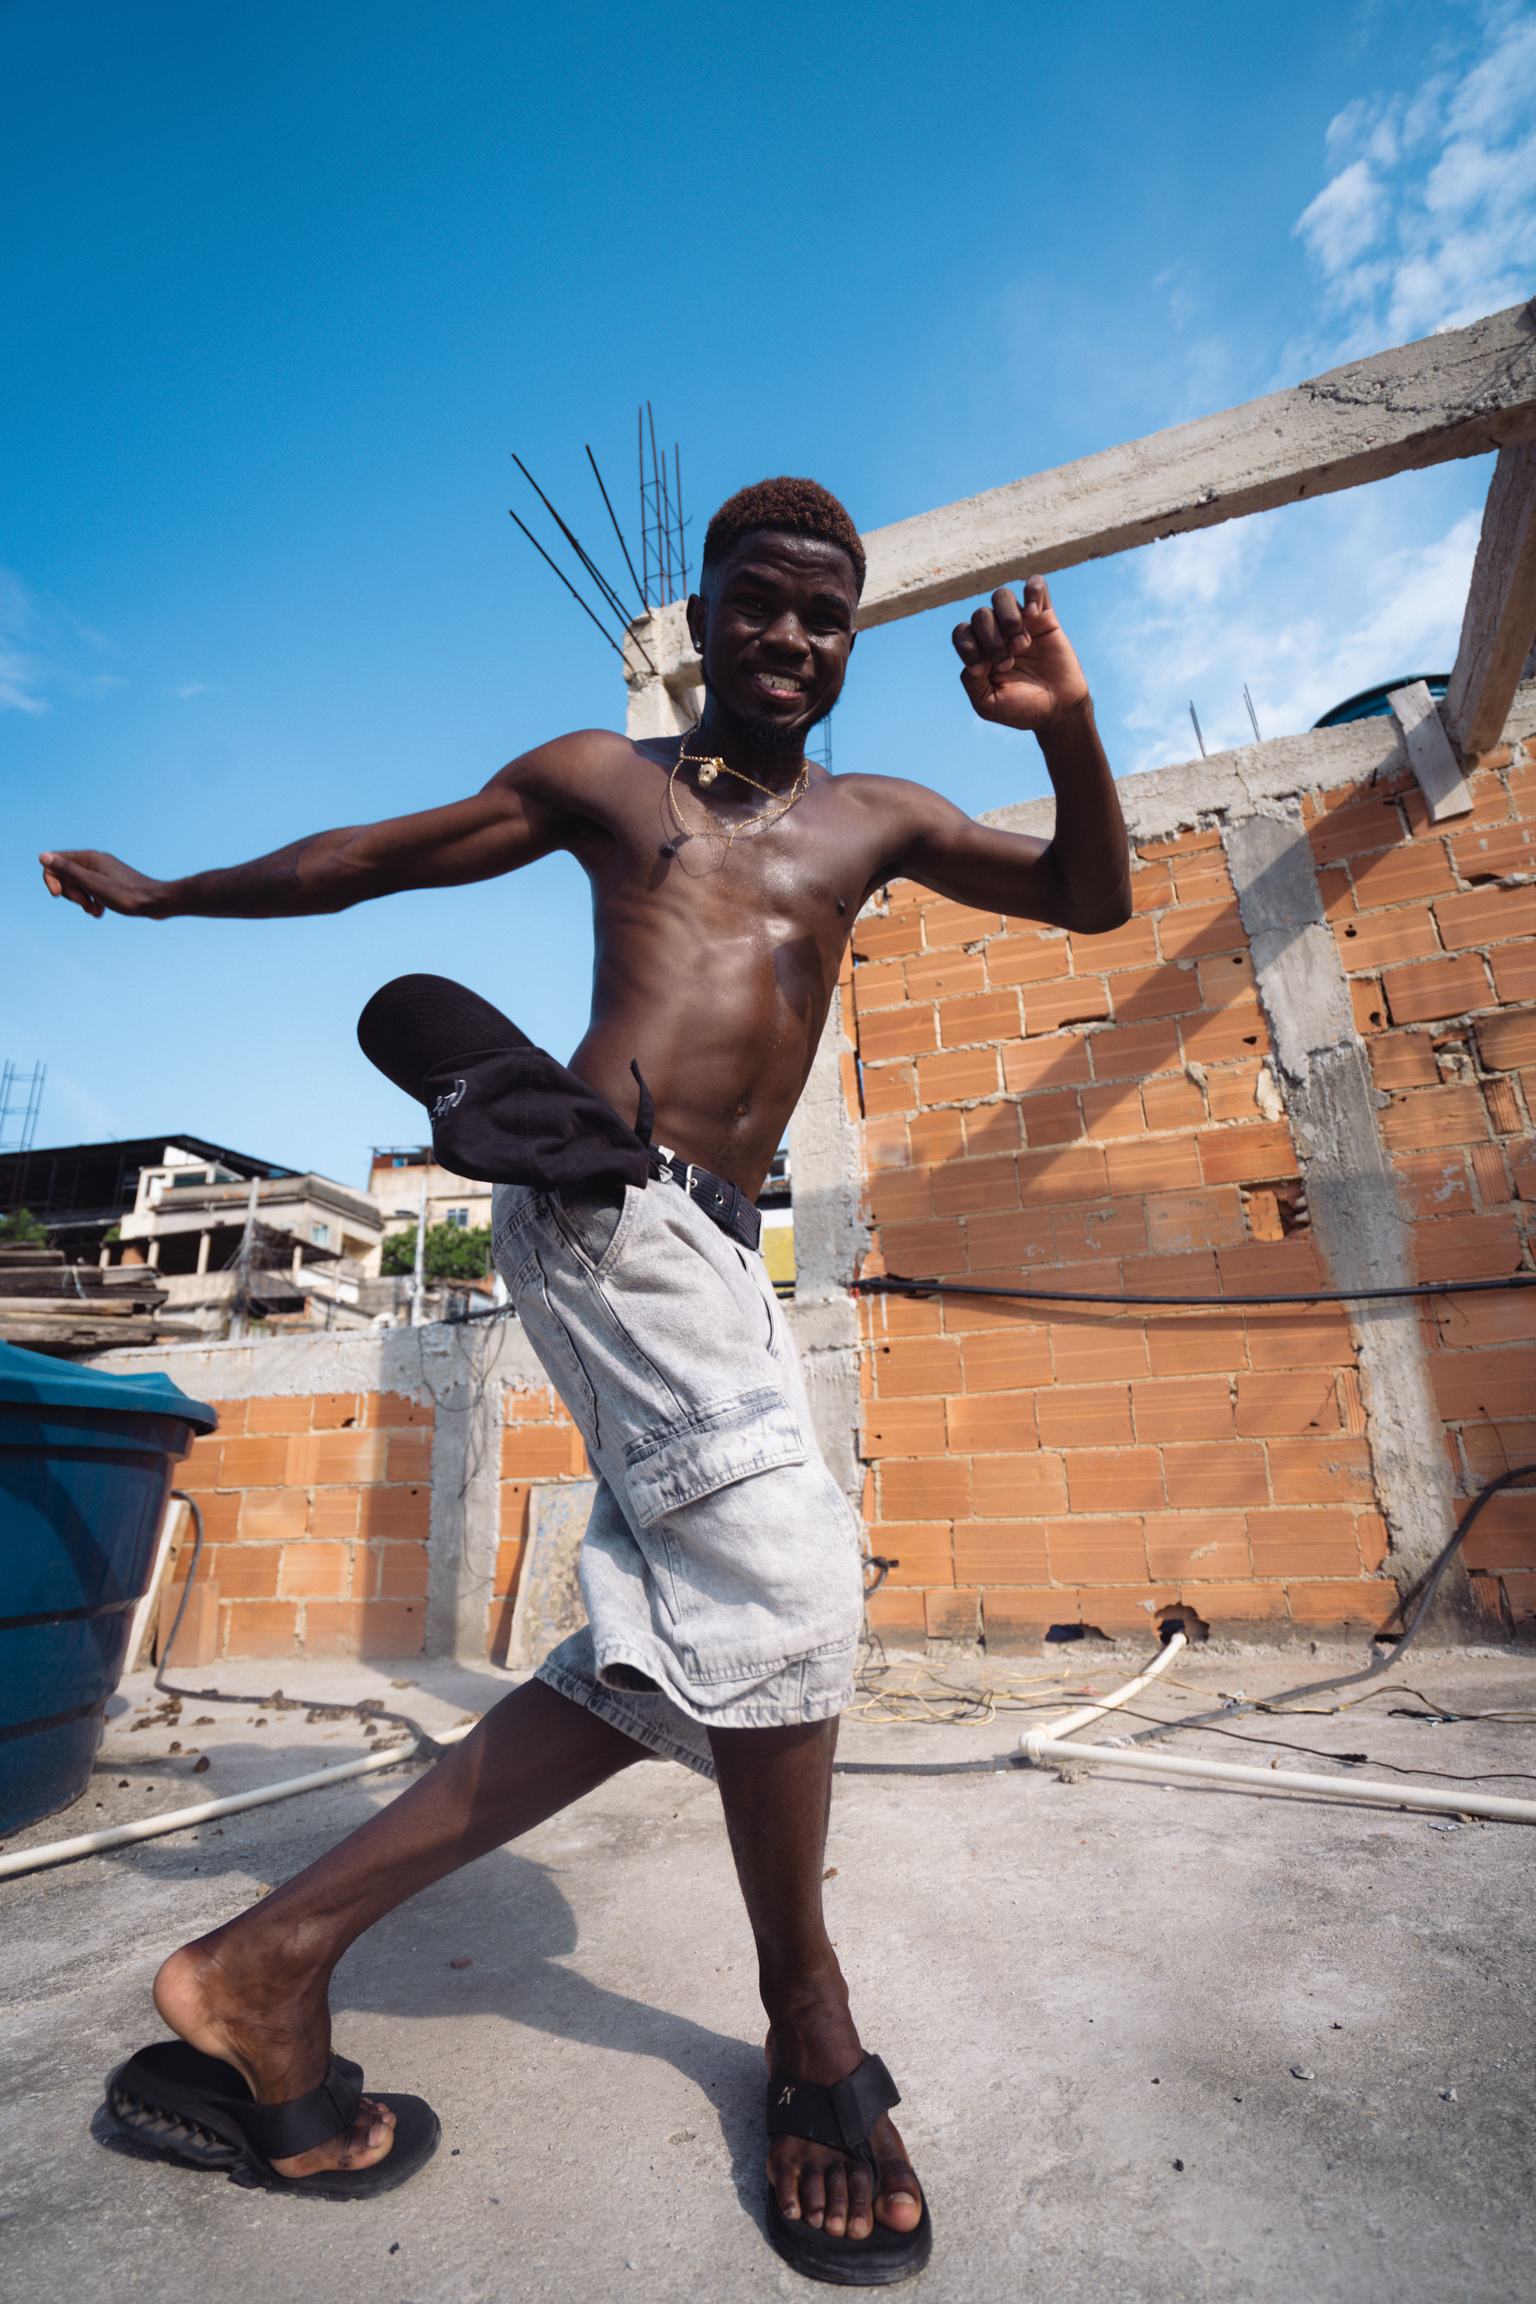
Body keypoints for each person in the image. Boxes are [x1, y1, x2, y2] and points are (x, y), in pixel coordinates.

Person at [41, 475, 1130, 2286]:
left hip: (714, 1248)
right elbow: (368, 857)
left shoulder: (877, 820)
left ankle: (267, 1971)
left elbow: (1092, 896)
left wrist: (1073, 727)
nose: (790, 637)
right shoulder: (611, 789)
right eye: (758, 602)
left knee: (670, 1649)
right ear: (700, 614)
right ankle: (810, 2025)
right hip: (601, 1201)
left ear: (850, 640)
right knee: (784, 1584)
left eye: (825, 615)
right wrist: (168, 901)